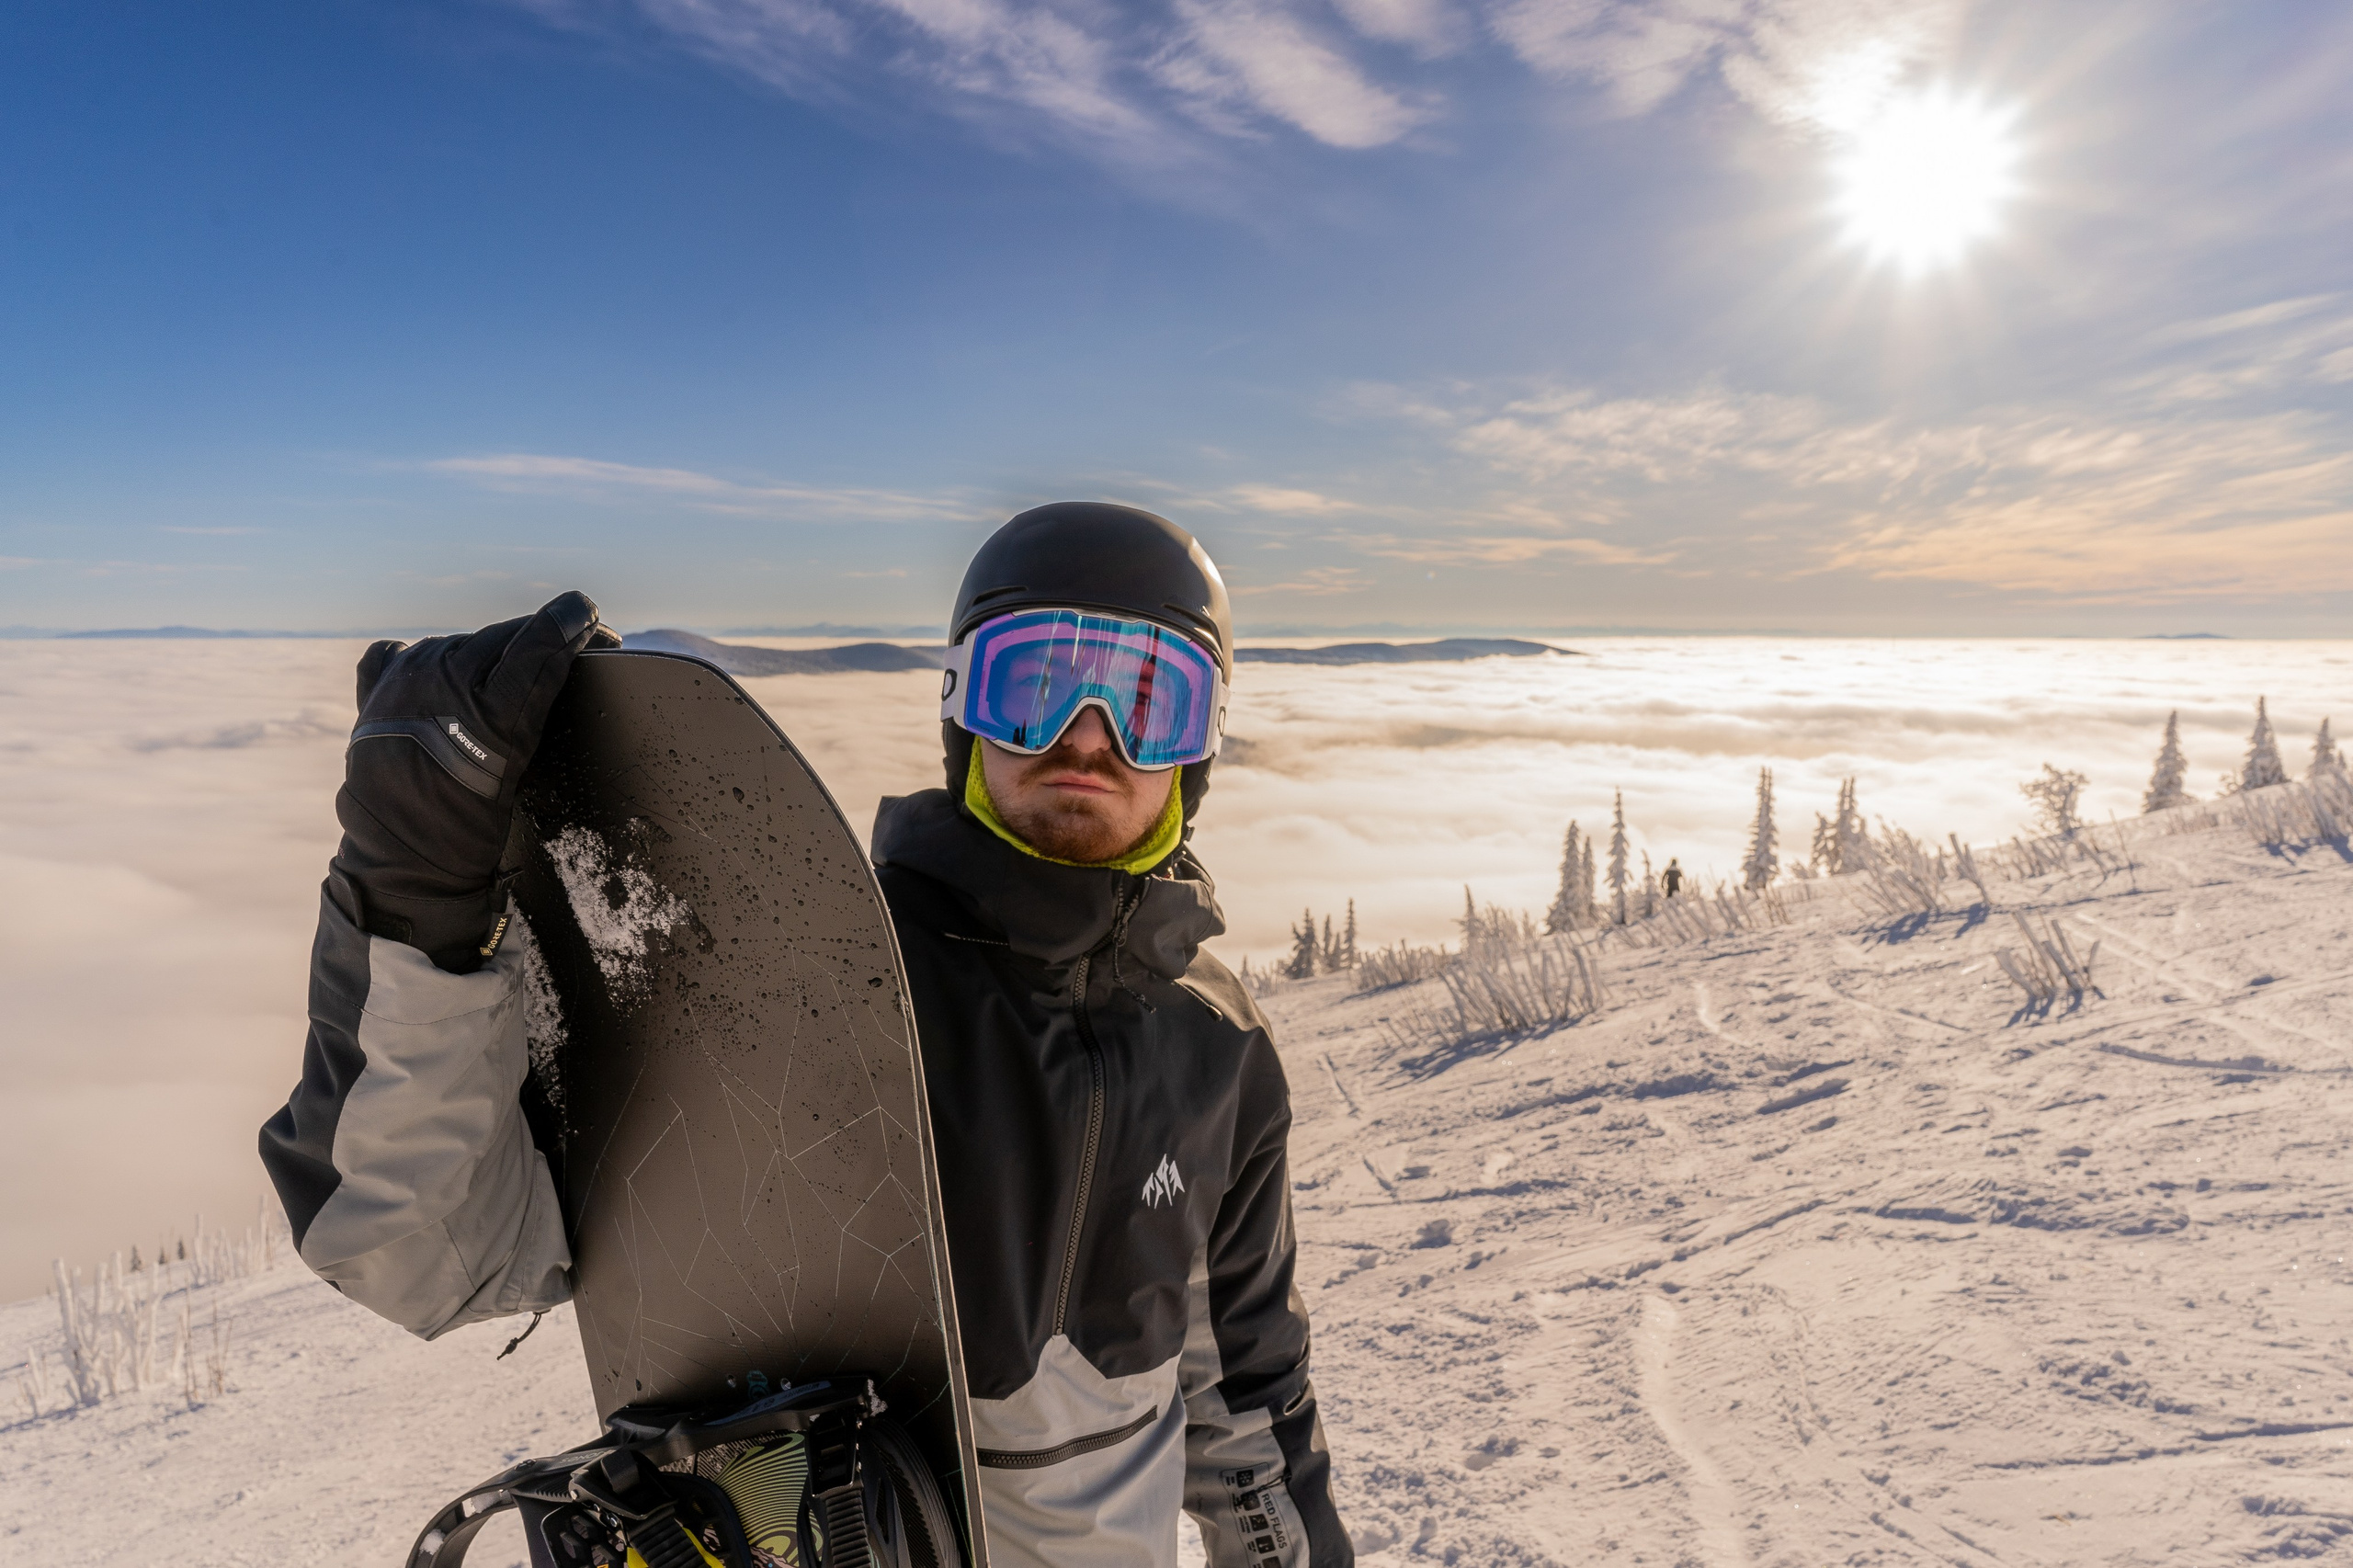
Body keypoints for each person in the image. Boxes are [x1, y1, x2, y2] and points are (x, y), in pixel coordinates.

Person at [258, 503, 1352, 1568]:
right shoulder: (798, 989)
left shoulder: (1221, 1049)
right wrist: (411, 900)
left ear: (1199, 746)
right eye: (1037, 685)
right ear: (965, 707)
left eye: (1149, 700)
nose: (1085, 736)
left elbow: (1244, 1396)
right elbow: (415, 1254)